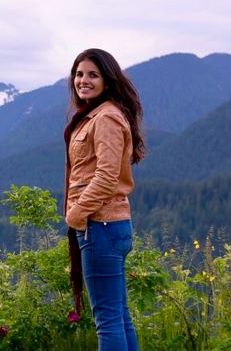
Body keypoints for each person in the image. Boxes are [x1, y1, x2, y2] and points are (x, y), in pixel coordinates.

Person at [63, 48, 145, 351]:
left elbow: (108, 176)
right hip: (111, 226)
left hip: (101, 226)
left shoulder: (106, 118)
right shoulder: (95, 115)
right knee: (119, 317)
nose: (83, 80)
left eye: (92, 75)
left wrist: (76, 213)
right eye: (79, 74)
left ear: (107, 81)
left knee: (108, 321)